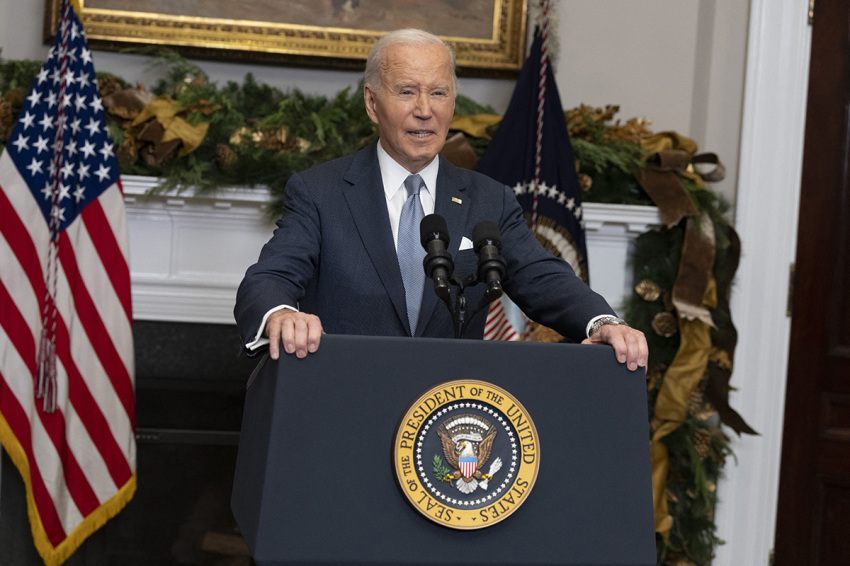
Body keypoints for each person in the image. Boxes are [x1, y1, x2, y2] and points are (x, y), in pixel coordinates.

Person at [234, 28, 647, 371]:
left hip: (446, 416)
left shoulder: (490, 199)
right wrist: (281, 314)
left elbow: (544, 278)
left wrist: (603, 322)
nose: (424, 110)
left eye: (439, 93)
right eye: (407, 91)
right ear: (372, 103)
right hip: (345, 402)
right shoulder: (319, 192)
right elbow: (269, 278)